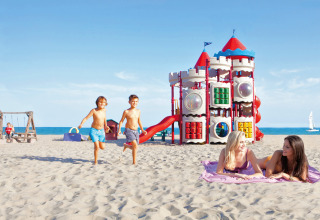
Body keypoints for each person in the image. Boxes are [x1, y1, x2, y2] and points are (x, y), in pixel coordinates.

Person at [78, 96, 110, 165]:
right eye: (100, 102)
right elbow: (86, 118)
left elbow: (104, 118)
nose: (102, 104)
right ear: (97, 103)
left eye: (104, 102)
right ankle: (95, 162)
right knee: (97, 146)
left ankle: (98, 143)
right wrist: (81, 124)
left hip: (101, 131)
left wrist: (106, 125)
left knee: (102, 147)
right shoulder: (94, 110)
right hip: (94, 131)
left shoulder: (104, 110)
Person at [118, 94, 147, 165]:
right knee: (135, 146)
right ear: (129, 102)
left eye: (136, 101)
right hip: (128, 130)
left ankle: (127, 146)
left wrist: (142, 130)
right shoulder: (126, 111)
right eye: (133, 101)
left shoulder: (138, 111)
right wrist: (119, 129)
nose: (135, 103)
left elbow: (139, 121)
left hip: (136, 131)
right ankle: (134, 163)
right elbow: (121, 121)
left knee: (135, 147)